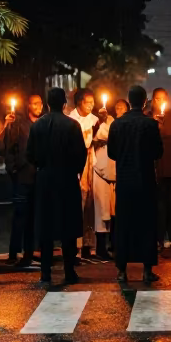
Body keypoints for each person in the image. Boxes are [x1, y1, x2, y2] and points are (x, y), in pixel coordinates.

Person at [26, 87, 86, 285]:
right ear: (63, 104)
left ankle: (45, 273)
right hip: (67, 178)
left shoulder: (37, 126)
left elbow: (30, 155)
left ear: (47, 103)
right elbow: (81, 155)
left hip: (45, 179)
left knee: (46, 227)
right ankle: (69, 272)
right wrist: (75, 171)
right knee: (68, 225)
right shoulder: (72, 125)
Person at [107, 85, 163, 283]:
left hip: (124, 180)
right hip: (145, 180)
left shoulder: (117, 124)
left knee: (123, 225)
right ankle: (147, 270)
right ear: (145, 101)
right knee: (147, 224)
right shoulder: (150, 125)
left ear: (129, 101)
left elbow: (111, 153)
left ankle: (121, 270)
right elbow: (158, 153)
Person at [3, 93, 43, 269]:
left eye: (40, 103)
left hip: (38, 176)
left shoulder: (43, 124)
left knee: (34, 216)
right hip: (23, 175)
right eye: (35, 104)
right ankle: (14, 253)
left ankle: (29, 253)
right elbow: (10, 148)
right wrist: (13, 168)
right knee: (20, 215)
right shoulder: (19, 125)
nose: (38, 106)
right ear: (28, 106)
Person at [68, 89, 100, 263]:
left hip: (91, 161)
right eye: (88, 102)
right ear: (79, 102)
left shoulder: (95, 119)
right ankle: (77, 246)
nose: (91, 105)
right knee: (79, 202)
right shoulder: (71, 120)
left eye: (92, 102)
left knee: (91, 204)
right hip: (78, 163)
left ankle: (90, 244)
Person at [152, 87, 171, 252]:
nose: (160, 102)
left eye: (163, 98)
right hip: (158, 166)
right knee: (160, 204)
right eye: (157, 99)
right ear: (152, 100)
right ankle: (159, 239)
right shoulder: (150, 119)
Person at [92, 98, 116, 261]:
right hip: (98, 168)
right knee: (100, 209)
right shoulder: (95, 122)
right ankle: (99, 247)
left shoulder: (114, 123)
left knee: (112, 209)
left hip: (112, 170)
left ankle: (112, 244)